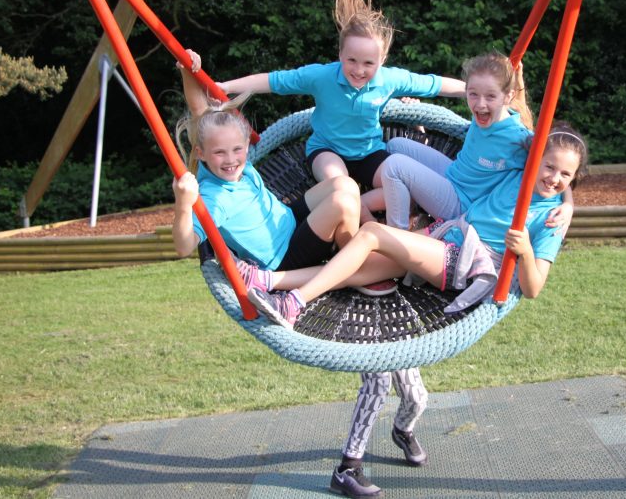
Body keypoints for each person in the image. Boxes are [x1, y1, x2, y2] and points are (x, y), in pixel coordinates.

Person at [242, 123, 588, 497]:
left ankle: (294, 304)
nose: (554, 178)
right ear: (535, 161)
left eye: (565, 175)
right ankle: (269, 282)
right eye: (549, 167)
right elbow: (523, 124)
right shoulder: (519, 174)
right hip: (444, 234)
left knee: (371, 235)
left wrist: (526, 248)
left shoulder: (549, 221)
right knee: (363, 265)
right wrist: (569, 199)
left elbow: (534, 287)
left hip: (462, 261)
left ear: (574, 178)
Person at [183, 0, 466, 222]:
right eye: (351, 60)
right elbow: (273, 80)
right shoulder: (322, 77)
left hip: (369, 152)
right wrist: (225, 85)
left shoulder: (389, 79)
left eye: (368, 64)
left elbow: (435, 84)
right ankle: (369, 236)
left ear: (382, 61)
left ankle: (379, 228)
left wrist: (472, 91)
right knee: (343, 185)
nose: (358, 70)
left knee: (402, 188)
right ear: (340, 54)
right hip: (326, 151)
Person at [170, 61, 361, 276]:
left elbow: (199, 112)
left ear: (244, 145)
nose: (231, 159)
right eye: (219, 152)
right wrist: (184, 204)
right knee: (342, 203)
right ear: (200, 153)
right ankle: (352, 267)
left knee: (344, 184)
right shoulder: (214, 198)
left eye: (237, 149)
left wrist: (187, 69)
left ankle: (348, 246)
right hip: (283, 257)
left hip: (288, 221)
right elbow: (183, 247)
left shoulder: (235, 164)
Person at [362, 51, 573, 231]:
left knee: (394, 166)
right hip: (453, 174)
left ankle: (395, 236)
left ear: (507, 97)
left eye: (490, 97)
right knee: (396, 145)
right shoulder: (484, 115)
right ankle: (410, 203)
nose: (480, 104)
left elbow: (554, 164)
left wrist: (569, 204)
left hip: (462, 203)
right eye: (473, 95)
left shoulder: (518, 139)